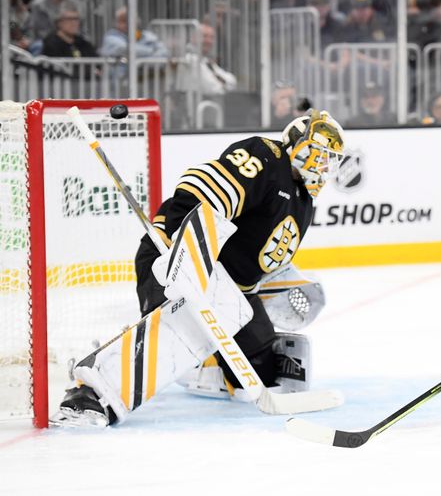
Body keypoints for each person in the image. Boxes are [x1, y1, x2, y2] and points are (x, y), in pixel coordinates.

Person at [51, 110, 346, 426]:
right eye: (321, 154)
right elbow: (203, 192)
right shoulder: (266, 157)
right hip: (173, 257)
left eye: (332, 159)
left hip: (228, 291)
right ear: (297, 144)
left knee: (262, 365)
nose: (325, 165)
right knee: (170, 334)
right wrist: (185, 251)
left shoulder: (304, 201)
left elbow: (261, 258)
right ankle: (87, 392)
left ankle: (205, 364)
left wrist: (284, 284)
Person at [98, 7, 168, 59]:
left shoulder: (146, 35)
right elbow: (123, 49)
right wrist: (152, 51)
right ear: (116, 23)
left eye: (131, 20)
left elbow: (164, 52)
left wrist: (142, 59)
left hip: (147, 76)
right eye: (123, 21)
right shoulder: (111, 37)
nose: (128, 24)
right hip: (121, 77)